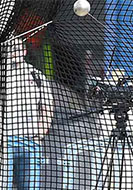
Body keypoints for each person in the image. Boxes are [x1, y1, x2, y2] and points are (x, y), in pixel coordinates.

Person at [3, 38, 53, 189]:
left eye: (18, 49)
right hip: (5, 142)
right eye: (10, 49)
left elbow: (47, 107)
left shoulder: (36, 76)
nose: (14, 52)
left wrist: (40, 134)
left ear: (24, 52)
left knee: (30, 187)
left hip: (30, 141)